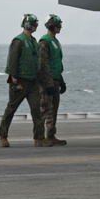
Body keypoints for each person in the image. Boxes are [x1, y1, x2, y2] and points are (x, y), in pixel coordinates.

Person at [0, 14, 47, 147]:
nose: (35, 26)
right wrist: (14, 81)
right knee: (11, 108)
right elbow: (12, 61)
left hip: (33, 81)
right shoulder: (18, 41)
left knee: (36, 109)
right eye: (33, 23)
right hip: (20, 81)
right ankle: (3, 136)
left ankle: (39, 138)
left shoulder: (33, 41)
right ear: (26, 24)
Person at [38, 14, 67, 146]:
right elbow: (43, 64)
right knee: (45, 109)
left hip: (55, 79)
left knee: (54, 109)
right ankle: (39, 138)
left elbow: (56, 63)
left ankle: (50, 135)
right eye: (57, 25)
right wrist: (48, 83)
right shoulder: (45, 42)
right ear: (51, 26)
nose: (60, 27)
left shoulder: (55, 42)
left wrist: (61, 80)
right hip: (47, 82)